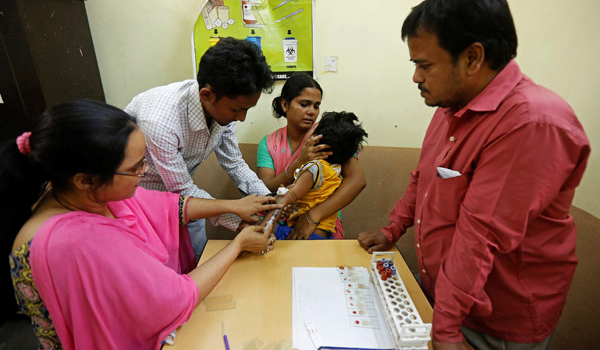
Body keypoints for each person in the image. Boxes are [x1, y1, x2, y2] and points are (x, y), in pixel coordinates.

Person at [357, 0, 590, 350]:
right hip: (445, 299)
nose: (416, 76)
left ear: (472, 57)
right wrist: (391, 231)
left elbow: (479, 236)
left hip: (496, 320)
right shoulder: (452, 106)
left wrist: (446, 331)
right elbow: (424, 182)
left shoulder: (531, 123)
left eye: (424, 65)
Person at [1, 100, 279, 350]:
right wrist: (237, 246)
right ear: (85, 179)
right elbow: (174, 299)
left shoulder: (76, 194)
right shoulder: (76, 242)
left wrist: (232, 205)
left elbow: (168, 207)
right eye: (135, 167)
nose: (144, 171)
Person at [125, 37, 275, 261]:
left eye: (247, 110)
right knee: (165, 272)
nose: (241, 118)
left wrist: (269, 199)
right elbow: (182, 191)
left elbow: (234, 163)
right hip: (140, 206)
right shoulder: (160, 121)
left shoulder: (223, 108)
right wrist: (237, 217)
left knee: (196, 262)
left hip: (186, 204)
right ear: (207, 95)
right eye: (237, 109)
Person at [257, 74, 367, 239]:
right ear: (285, 104)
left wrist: (312, 217)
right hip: (283, 219)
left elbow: (357, 181)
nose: (311, 112)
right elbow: (266, 188)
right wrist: (298, 163)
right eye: (304, 104)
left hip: (321, 221)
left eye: (316, 106)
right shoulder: (269, 143)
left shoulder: (328, 135)